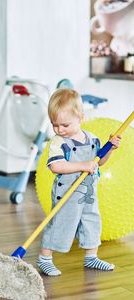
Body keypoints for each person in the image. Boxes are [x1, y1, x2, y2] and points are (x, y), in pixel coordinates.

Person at [36, 88, 121, 276]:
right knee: (60, 223)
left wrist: (110, 150)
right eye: (54, 125)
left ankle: (91, 257)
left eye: (64, 124)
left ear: (80, 118)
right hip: (67, 193)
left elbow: (98, 164)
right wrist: (83, 165)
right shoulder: (59, 142)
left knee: (91, 222)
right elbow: (56, 166)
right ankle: (44, 259)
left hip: (88, 194)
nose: (60, 130)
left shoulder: (92, 139)